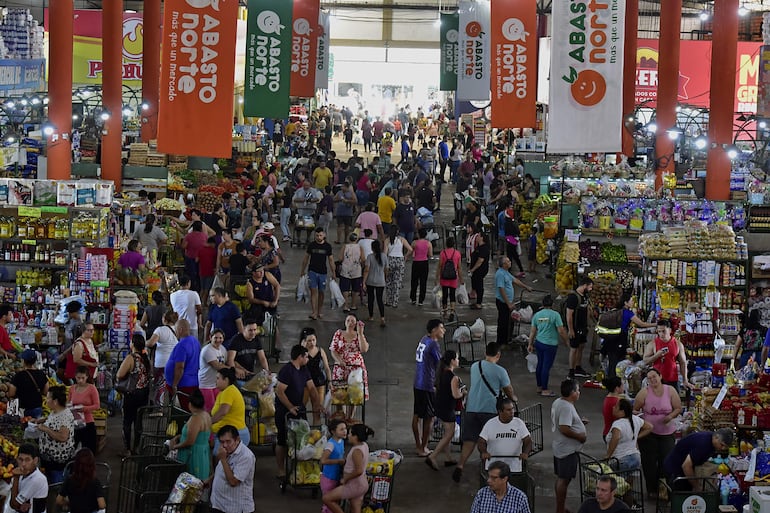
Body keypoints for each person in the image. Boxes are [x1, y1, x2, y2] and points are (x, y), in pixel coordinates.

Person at [453, 343, 516, 483]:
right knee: (488, 441)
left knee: (470, 440)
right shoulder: (500, 371)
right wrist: (514, 398)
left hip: (471, 408)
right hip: (489, 410)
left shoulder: (475, 366)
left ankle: (460, 465)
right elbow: (508, 389)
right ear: (498, 355)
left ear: (485, 353)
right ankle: (487, 468)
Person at [633, 367, 682, 498]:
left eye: (654, 376)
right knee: (649, 463)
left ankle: (664, 488)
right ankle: (651, 489)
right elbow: (635, 410)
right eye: (649, 378)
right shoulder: (644, 393)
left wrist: (670, 416)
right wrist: (638, 414)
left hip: (667, 433)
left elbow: (678, 408)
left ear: (660, 376)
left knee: (666, 461)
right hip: (649, 434)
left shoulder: (670, 390)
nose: (652, 380)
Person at [275, 344, 322, 478]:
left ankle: (299, 467)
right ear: (300, 357)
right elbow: (280, 391)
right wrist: (290, 407)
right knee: (283, 440)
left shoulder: (304, 369)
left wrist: (318, 404)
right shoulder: (287, 371)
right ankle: (281, 469)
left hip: (299, 408)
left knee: (303, 438)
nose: (308, 358)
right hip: (284, 411)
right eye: (306, 356)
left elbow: (312, 388)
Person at [321, 424, 374, 513]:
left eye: (350, 433)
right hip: (361, 484)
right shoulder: (364, 445)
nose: (348, 435)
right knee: (355, 508)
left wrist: (345, 478)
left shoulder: (356, 451)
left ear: (356, 437)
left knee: (327, 498)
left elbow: (359, 470)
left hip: (354, 485)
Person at [426, 350, 465, 470]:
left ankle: (448, 458)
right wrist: (463, 392)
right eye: (457, 358)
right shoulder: (454, 377)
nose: (458, 360)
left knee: (446, 433)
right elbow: (455, 395)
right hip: (448, 408)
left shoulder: (441, 373)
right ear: (452, 361)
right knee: (449, 434)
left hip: (439, 406)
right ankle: (433, 456)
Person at [552, 379, 586, 513]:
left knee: (561, 478)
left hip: (560, 447)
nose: (579, 392)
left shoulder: (559, 402)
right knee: (564, 479)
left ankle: (561, 507)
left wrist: (579, 424)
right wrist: (580, 436)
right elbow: (564, 428)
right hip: (567, 450)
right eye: (577, 390)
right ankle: (560, 509)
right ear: (572, 392)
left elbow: (564, 422)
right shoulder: (566, 407)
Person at [602, 294, 657, 378]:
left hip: (611, 338)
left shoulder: (617, 310)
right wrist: (657, 324)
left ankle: (611, 380)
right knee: (617, 362)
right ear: (625, 303)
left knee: (612, 360)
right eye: (631, 300)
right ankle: (614, 382)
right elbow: (641, 324)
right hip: (619, 339)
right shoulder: (627, 312)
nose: (633, 302)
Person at [412, 319, 444, 458]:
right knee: (429, 417)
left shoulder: (424, 339)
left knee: (417, 415)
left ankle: (418, 444)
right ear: (434, 330)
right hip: (427, 384)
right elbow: (441, 364)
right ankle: (423, 447)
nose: (444, 330)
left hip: (417, 382)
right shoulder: (434, 344)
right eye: (441, 328)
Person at [663, 428, 734, 491]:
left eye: (726, 447)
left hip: (683, 468)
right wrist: (696, 486)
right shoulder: (703, 444)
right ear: (716, 437)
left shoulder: (711, 441)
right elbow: (686, 466)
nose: (723, 449)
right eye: (722, 445)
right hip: (675, 469)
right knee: (680, 500)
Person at [207, 425, 256, 513]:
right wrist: (210, 479)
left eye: (228, 441)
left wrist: (223, 459)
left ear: (237, 439)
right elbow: (221, 471)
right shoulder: (226, 451)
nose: (225, 445)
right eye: (222, 442)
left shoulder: (246, 456)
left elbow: (233, 481)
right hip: (219, 504)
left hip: (235, 508)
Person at [116, 334, 151, 455]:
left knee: (127, 421)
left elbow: (120, 374)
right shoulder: (146, 357)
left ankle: (127, 450)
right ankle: (137, 447)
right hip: (144, 393)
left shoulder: (131, 358)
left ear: (133, 344)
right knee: (138, 422)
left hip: (132, 394)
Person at [527, 295, 568, 397]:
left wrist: (530, 344)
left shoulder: (537, 315)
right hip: (550, 345)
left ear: (542, 304)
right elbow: (561, 331)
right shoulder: (555, 315)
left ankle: (539, 386)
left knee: (540, 365)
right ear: (552, 304)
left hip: (539, 343)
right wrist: (567, 342)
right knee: (546, 367)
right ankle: (545, 390)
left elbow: (532, 332)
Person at [330, 315, 370, 417]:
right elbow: (333, 350)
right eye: (348, 320)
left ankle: (350, 418)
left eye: (352, 321)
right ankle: (341, 418)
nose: (350, 322)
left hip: (355, 368)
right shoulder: (339, 333)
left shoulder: (358, 335)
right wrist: (339, 361)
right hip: (340, 368)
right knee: (340, 395)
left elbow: (364, 349)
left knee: (354, 394)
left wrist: (360, 334)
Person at [34, 385, 75, 483]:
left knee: (58, 484)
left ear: (55, 401)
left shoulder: (64, 416)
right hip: (50, 459)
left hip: (58, 461)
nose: (46, 400)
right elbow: (53, 420)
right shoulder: (56, 411)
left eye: (48, 398)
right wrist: (41, 420)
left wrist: (46, 429)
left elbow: (63, 437)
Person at [479, 397, 532, 473]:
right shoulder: (490, 424)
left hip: (514, 467)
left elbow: (528, 441)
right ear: (500, 411)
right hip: (494, 467)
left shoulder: (519, 423)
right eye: (508, 410)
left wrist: (526, 453)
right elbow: (481, 441)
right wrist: (483, 452)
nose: (512, 412)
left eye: (512, 409)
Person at [643, 319, 693, 390]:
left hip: (672, 380)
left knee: (674, 400)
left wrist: (685, 380)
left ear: (670, 330)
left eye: (664, 331)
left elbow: (683, 363)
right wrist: (656, 355)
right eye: (659, 331)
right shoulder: (652, 344)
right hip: (656, 381)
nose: (661, 334)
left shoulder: (678, 344)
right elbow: (645, 361)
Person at [606, 398, 652, 471]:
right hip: (636, 457)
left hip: (620, 459)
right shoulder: (636, 419)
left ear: (622, 411)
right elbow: (649, 427)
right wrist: (635, 437)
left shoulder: (618, 424)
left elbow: (616, 438)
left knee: (617, 481)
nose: (613, 407)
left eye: (616, 407)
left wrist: (608, 456)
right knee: (629, 480)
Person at [495, 256, 533, 346]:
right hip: (503, 303)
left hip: (508, 302)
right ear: (504, 264)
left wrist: (526, 287)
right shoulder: (500, 274)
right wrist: (508, 303)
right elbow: (501, 289)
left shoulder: (506, 272)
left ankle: (508, 339)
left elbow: (515, 280)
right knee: (503, 323)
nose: (510, 262)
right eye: (508, 261)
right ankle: (501, 342)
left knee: (509, 321)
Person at [164, 319, 200, 411]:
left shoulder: (182, 345)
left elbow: (180, 367)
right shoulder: (195, 341)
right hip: (194, 382)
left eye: (176, 329)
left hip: (183, 385)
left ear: (180, 329)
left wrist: (174, 384)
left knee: (182, 412)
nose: (175, 332)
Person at [301, 227, 336, 320]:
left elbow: (331, 260)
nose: (318, 237)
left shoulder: (328, 247)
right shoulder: (311, 245)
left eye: (320, 235)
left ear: (324, 235)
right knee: (313, 291)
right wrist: (302, 270)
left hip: (323, 273)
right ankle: (314, 312)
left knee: (321, 292)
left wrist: (334, 272)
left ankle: (319, 310)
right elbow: (306, 258)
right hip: (312, 271)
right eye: (317, 235)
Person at [56, 447, 106, 513]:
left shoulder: (70, 480)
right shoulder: (95, 482)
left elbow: (58, 501)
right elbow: (102, 505)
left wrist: (70, 502)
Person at [211, 367, 250, 450]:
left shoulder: (228, 392)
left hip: (232, 435)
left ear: (226, 380)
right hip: (229, 434)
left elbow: (222, 412)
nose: (216, 381)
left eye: (218, 378)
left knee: (221, 459)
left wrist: (208, 423)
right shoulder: (225, 391)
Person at [300, 327, 332, 424]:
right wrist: (302, 349)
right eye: (309, 341)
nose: (312, 343)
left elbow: (326, 367)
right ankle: (302, 426)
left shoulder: (320, 351)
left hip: (319, 383)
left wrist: (330, 381)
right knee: (301, 406)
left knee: (317, 409)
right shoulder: (302, 353)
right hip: (305, 384)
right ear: (304, 341)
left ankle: (316, 430)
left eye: (313, 340)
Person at [566, 277, 594, 379]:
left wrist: (588, 323)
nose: (591, 289)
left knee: (581, 347)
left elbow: (587, 310)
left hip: (583, 328)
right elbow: (569, 315)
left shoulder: (585, 296)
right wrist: (571, 329)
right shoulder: (573, 297)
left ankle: (578, 368)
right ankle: (571, 372)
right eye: (590, 287)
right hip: (575, 328)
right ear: (585, 285)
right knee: (573, 349)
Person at [7, 349, 48, 419]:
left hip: (23, 409)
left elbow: (11, 393)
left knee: (23, 427)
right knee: (35, 428)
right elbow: (46, 391)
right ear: (35, 361)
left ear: (23, 361)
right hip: (37, 408)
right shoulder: (41, 374)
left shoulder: (19, 376)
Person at [7, 443, 47, 513]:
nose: (23, 464)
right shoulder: (22, 473)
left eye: (27, 460)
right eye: (20, 459)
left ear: (35, 460)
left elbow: (14, 505)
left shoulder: (37, 479)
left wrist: (15, 477)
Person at [68, 366, 100, 454]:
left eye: (83, 378)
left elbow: (97, 405)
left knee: (89, 450)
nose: (80, 380)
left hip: (88, 423)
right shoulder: (72, 388)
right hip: (75, 423)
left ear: (87, 377)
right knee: (72, 449)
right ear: (75, 377)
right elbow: (69, 403)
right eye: (78, 378)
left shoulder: (92, 388)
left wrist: (84, 409)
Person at [320, 419, 347, 513]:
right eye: (341, 429)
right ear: (333, 432)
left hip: (336, 476)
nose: (345, 431)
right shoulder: (331, 444)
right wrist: (338, 461)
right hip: (328, 478)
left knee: (335, 502)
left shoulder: (341, 441)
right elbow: (323, 460)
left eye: (345, 428)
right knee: (329, 503)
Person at [199, 329, 229, 411]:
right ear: (210, 337)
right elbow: (217, 366)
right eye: (216, 338)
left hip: (216, 383)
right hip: (206, 384)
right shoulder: (207, 350)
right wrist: (233, 369)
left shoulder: (223, 349)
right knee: (210, 409)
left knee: (218, 407)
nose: (218, 340)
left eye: (220, 338)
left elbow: (226, 363)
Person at [147, 310, 179, 383]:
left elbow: (151, 343)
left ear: (164, 319)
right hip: (174, 363)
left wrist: (144, 342)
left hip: (161, 363)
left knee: (161, 388)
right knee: (171, 385)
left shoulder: (160, 330)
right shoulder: (178, 330)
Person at [384, 225, 412, 309]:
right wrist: (405, 257)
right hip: (400, 260)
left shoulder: (387, 240)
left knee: (389, 282)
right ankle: (395, 302)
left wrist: (385, 265)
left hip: (390, 260)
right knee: (397, 282)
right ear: (397, 232)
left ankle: (388, 300)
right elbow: (410, 249)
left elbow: (385, 253)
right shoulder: (402, 239)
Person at [437, 237, 464, 321]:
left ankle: (445, 313)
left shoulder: (442, 253)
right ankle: (452, 312)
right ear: (454, 244)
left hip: (444, 278)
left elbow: (440, 266)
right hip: (453, 278)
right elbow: (459, 268)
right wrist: (461, 279)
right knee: (452, 295)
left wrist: (437, 277)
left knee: (444, 295)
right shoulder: (457, 253)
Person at [363, 239, 389, 326]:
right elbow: (386, 269)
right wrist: (385, 278)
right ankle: (382, 317)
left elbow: (366, 270)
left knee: (371, 299)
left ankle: (371, 316)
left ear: (372, 248)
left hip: (370, 281)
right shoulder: (384, 256)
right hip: (380, 281)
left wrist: (363, 282)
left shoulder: (370, 257)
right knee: (379, 299)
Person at [338, 232, 364, 312]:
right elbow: (363, 259)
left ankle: (345, 306)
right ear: (357, 239)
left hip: (346, 270)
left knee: (345, 288)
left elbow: (340, 258)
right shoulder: (360, 247)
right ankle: (353, 305)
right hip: (356, 270)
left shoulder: (345, 246)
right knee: (355, 289)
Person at [409, 228, 433, 306]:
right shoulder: (428, 243)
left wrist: (406, 257)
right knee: (423, 282)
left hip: (416, 263)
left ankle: (413, 298)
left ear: (418, 234)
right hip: (424, 263)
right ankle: (421, 300)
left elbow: (410, 251)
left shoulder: (414, 243)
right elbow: (430, 255)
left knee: (414, 281)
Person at [467, 234, 490, 310]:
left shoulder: (484, 248)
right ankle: (475, 296)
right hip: (475, 270)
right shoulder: (478, 247)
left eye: (479, 236)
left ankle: (479, 303)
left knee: (479, 285)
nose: (477, 237)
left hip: (480, 270)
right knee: (475, 283)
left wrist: (473, 269)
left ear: (482, 238)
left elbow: (480, 260)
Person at [601, 376, 625, 441]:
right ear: (617, 388)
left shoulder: (608, 398)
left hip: (608, 431)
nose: (624, 386)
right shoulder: (616, 402)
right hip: (613, 434)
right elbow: (622, 417)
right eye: (622, 385)